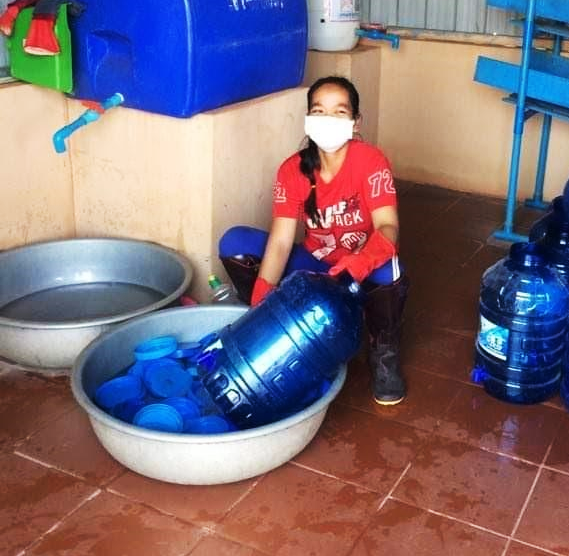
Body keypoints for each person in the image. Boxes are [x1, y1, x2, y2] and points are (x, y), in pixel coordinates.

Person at [218, 76, 410, 405]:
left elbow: (388, 227)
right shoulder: (293, 170)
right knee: (235, 243)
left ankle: (383, 353)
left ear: (355, 121)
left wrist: (356, 265)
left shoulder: (370, 162)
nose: (328, 120)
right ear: (308, 119)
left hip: (356, 269)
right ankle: (277, 323)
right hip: (313, 266)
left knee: (391, 269)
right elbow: (280, 243)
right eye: (319, 111)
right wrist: (259, 305)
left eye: (339, 112)